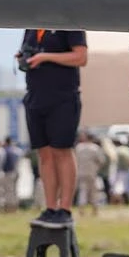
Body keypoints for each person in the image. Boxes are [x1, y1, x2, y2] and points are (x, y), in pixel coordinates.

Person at [19, 28, 89, 228]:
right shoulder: (31, 26)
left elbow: (81, 57)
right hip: (35, 94)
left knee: (62, 150)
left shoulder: (69, 21)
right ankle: (50, 207)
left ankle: (65, 208)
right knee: (44, 152)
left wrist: (45, 57)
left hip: (63, 96)